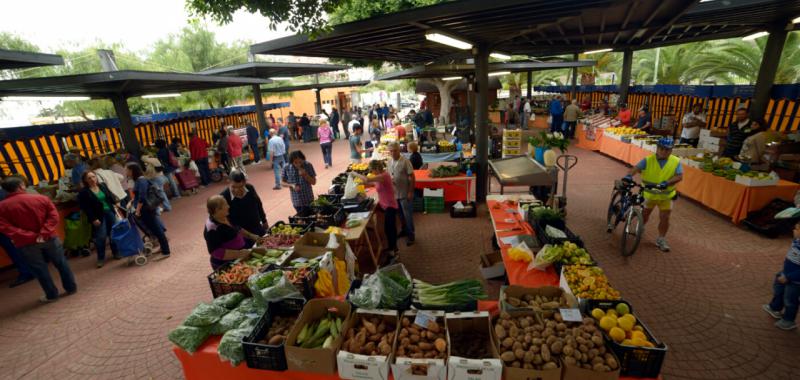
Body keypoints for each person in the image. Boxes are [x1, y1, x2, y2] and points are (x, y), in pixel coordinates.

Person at [0, 176, 77, 302]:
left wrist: (30, 236)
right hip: (49, 238)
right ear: (21, 186)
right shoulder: (41, 198)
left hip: (25, 243)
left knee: (40, 269)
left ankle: (51, 295)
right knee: (61, 263)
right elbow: (53, 216)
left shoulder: (2, 207)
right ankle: (71, 288)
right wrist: (43, 233)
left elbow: (5, 228)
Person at [626, 137, 683, 252]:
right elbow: (635, 169)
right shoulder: (648, 160)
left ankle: (661, 239)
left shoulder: (676, 161)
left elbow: (679, 176)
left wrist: (667, 182)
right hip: (649, 195)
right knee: (645, 215)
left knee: (665, 218)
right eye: (662, 149)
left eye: (667, 150)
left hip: (666, 196)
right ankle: (640, 228)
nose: (664, 151)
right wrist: (629, 176)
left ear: (671, 150)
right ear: (657, 148)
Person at [351, 160, 399, 255]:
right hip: (386, 205)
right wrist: (360, 184)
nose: (372, 172)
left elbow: (368, 179)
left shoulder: (384, 176)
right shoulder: (380, 177)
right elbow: (373, 183)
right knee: (388, 228)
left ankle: (393, 250)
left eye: (372, 170)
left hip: (390, 206)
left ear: (377, 168)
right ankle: (392, 247)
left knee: (389, 228)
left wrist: (355, 174)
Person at [203, 195, 261, 270]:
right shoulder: (212, 229)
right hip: (226, 264)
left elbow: (237, 228)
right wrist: (239, 254)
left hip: (239, 258)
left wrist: (251, 235)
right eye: (225, 205)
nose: (228, 206)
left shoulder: (224, 216)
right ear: (217, 209)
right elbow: (216, 252)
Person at [127, 162, 171, 258]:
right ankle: (162, 248)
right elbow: (140, 195)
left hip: (146, 209)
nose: (126, 172)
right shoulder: (140, 180)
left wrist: (138, 210)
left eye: (127, 170)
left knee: (157, 229)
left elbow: (142, 197)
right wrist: (132, 201)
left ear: (132, 171)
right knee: (155, 229)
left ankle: (166, 251)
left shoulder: (141, 181)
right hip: (146, 209)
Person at [763, 221, 800, 331]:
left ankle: (789, 320)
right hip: (786, 272)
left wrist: (789, 277)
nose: (794, 230)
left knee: (790, 300)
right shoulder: (797, 240)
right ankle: (775, 308)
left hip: (795, 281)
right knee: (778, 290)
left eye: (797, 229)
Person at [77, 171, 119, 267]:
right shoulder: (84, 192)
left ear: (96, 177)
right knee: (101, 237)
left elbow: (109, 196)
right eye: (89, 178)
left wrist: (115, 202)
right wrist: (93, 219)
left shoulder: (102, 185)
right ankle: (101, 258)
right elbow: (86, 208)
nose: (92, 179)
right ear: (85, 180)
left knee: (113, 233)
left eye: (93, 177)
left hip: (109, 212)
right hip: (98, 216)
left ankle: (116, 252)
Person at [0, 176, 34, 288]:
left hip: (6, 228)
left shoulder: (3, 192)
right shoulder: (5, 191)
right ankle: (30, 269)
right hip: (10, 227)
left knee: (14, 249)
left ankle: (26, 272)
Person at [220, 170, 268, 240]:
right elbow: (227, 220)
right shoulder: (224, 196)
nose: (237, 190)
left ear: (244, 182)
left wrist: (264, 220)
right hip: (241, 233)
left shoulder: (250, 188)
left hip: (257, 226)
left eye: (240, 187)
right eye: (234, 187)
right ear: (229, 182)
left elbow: (258, 204)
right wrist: (249, 235)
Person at [387, 142, 416, 246]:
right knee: (400, 215)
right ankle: (404, 230)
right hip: (395, 194)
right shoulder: (389, 162)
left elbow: (412, 177)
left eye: (395, 150)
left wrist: (410, 191)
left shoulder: (405, 161)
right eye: (391, 151)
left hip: (405, 193)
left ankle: (411, 235)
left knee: (407, 215)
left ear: (399, 150)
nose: (393, 153)